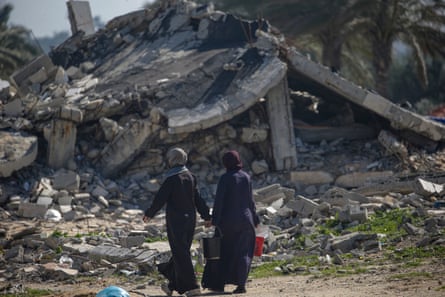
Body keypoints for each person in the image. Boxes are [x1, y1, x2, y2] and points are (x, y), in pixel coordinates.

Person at [143, 147, 211, 297]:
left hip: (176, 221)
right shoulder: (191, 176)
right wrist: (206, 216)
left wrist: (149, 214)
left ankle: (193, 287)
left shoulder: (171, 178)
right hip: (190, 220)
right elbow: (198, 199)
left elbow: (160, 198)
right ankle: (171, 286)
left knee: (180, 252)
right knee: (181, 252)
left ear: (171, 160)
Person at [202, 150, 260, 294]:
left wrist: (214, 220)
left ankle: (219, 284)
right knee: (243, 253)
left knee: (223, 252)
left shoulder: (225, 178)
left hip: (227, 223)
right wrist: (256, 219)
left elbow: (219, 202)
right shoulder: (246, 177)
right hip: (246, 221)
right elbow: (250, 202)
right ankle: (241, 285)